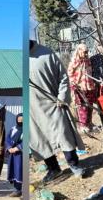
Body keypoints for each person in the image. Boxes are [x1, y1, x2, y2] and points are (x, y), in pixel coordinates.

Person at [29, 40, 87, 182]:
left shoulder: (46, 53)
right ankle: (53, 169)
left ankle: (74, 165)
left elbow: (63, 77)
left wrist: (62, 97)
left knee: (63, 135)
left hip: (53, 104)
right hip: (32, 109)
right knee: (40, 140)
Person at [68, 43, 97, 134]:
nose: (86, 54)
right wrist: (74, 84)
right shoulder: (74, 62)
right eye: (84, 52)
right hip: (79, 88)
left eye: (87, 52)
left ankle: (89, 123)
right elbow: (69, 74)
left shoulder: (88, 61)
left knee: (90, 106)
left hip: (90, 87)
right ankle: (83, 126)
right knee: (82, 107)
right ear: (79, 51)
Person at [5, 113, 23, 197]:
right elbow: (8, 138)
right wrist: (9, 148)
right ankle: (17, 190)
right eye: (19, 120)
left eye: (22, 120)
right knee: (14, 171)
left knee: (20, 171)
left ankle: (20, 190)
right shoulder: (13, 129)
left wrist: (18, 148)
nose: (20, 121)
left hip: (21, 154)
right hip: (12, 154)